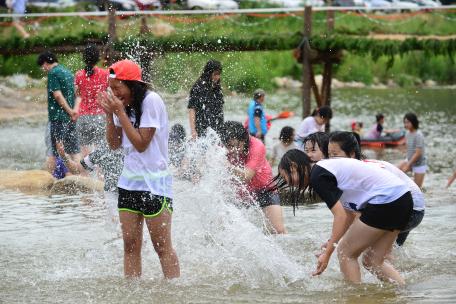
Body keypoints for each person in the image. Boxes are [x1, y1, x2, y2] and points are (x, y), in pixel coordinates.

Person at [272, 150, 413, 285]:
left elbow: (340, 216)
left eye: (287, 178)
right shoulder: (326, 169)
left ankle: (355, 298)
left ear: (294, 166)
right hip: (403, 199)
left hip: (386, 200)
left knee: (345, 254)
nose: (290, 184)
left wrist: (327, 254)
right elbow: (349, 215)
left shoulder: (317, 175)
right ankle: (403, 293)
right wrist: (331, 241)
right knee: (373, 262)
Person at [99, 59, 180, 279]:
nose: (114, 93)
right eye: (111, 89)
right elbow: (114, 145)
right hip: (128, 184)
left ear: (132, 85)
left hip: (155, 184)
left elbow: (142, 144)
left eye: (118, 89)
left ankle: (174, 293)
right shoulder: (121, 107)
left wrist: (119, 112)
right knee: (130, 245)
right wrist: (110, 115)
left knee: (161, 247)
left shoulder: (151, 101)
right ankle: (132, 293)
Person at [328, 131, 425, 247]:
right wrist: (333, 241)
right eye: (328, 155)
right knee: (387, 252)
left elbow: (354, 217)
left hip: (407, 209)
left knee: (371, 255)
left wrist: (336, 242)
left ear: (352, 154)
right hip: (414, 207)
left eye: (334, 154)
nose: (330, 160)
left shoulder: (359, 172)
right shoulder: (363, 166)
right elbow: (350, 216)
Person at [221, 121, 286, 234]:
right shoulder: (222, 146)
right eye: (228, 146)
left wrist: (228, 166)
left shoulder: (257, 146)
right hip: (240, 193)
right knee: (233, 233)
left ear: (244, 140)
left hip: (265, 189)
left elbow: (247, 176)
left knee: (278, 230)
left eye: (235, 146)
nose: (231, 150)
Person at [37, 51, 80, 172]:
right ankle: (81, 175)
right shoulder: (67, 72)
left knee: (53, 151)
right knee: (73, 150)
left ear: (45, 63)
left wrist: (69, 111)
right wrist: (74, 111)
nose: (43, 69)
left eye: (42, 66)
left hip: (58, 118)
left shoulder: (53, 73)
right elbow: (77, 93)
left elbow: (57, 95)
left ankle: (51, 179)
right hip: (71, 119)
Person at [74, 45, 109, 155]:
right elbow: (109, 92)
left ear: (84, 58)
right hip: (100, 116)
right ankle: (99, 173)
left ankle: (85, 172)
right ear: (97, 58)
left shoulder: (79, 75)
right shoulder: (105, 73)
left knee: (84, 149)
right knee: (100, 148)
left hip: (83, 116)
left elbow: (78, 94)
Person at [188, 59, 224, 139]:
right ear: (208, 73)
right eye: (215, 74)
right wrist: (193, 131)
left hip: (217, 129)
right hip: (202, 130)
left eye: (219, 74)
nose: (217, 77)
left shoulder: (217, 88)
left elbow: (220, 110)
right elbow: (192, 109)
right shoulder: (197, 87)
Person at [398, 113, 426, 188]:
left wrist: (408, 164)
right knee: (396, 172)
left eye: (408, 122)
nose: (406, 124)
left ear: (413, 122)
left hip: (419, 164)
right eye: (405, 122)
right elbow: (409, 148)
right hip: (409, 160)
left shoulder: (418, 135)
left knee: (417, 189)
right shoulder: (407, 133)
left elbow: (418, 153)